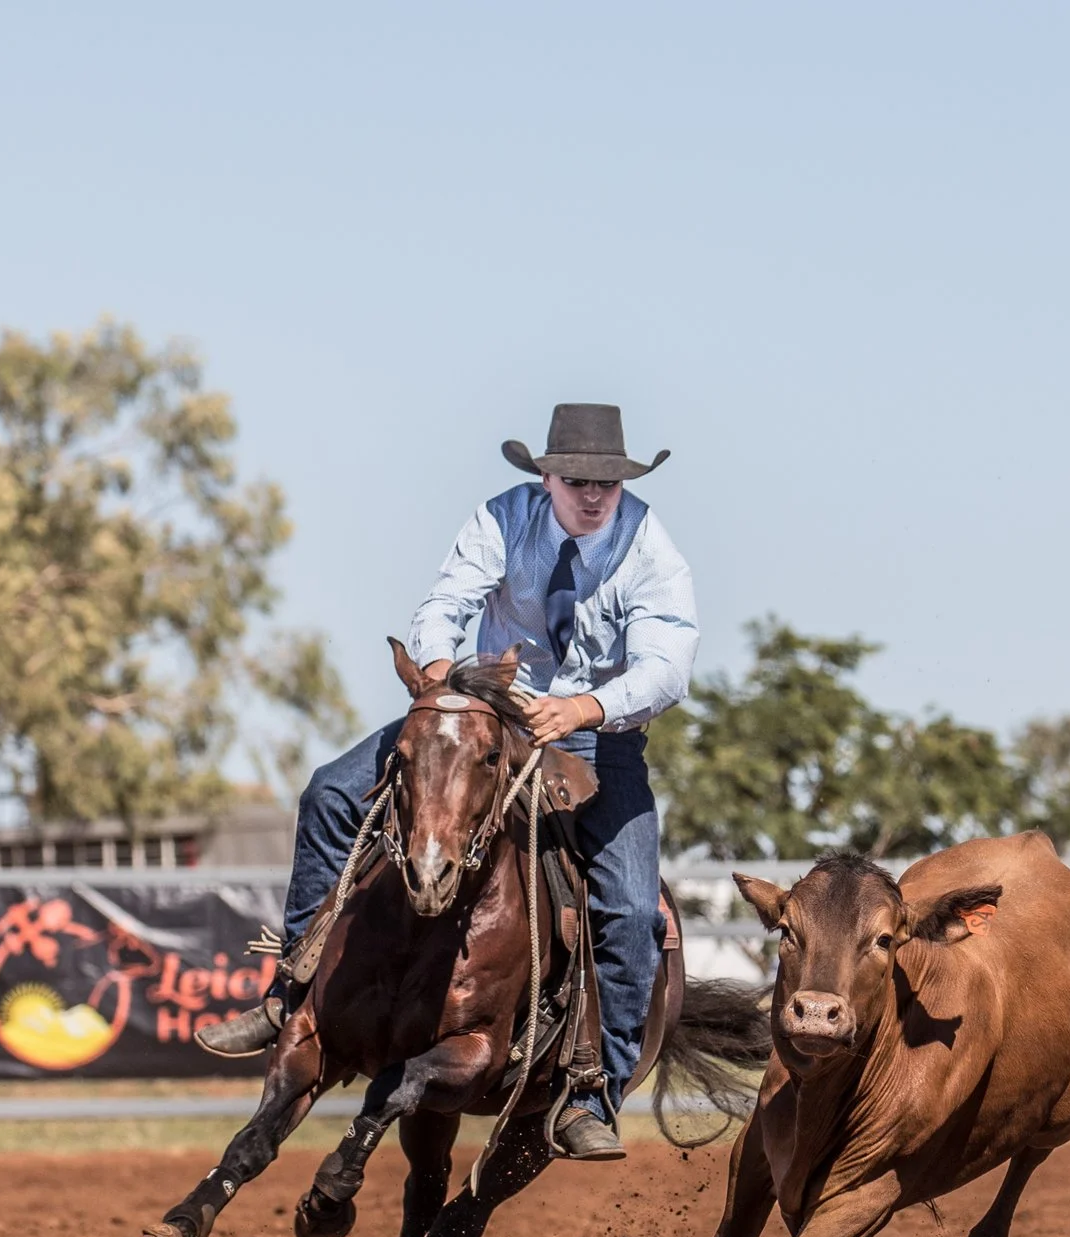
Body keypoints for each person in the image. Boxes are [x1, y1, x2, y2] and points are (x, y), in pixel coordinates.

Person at [194, 403, 698, 1161]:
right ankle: (291, 990)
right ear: (547, 479)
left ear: (623, 484)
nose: (593, 495)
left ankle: (591, 1090)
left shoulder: (649, 546)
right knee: (330, 794)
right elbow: (446, 605)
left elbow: (666, 665)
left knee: (629, 909)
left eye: (607, 482)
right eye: (577, 480)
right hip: (482, 715)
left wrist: (583, 707)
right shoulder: (502, 518)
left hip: (599, 737)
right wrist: (440, 677)